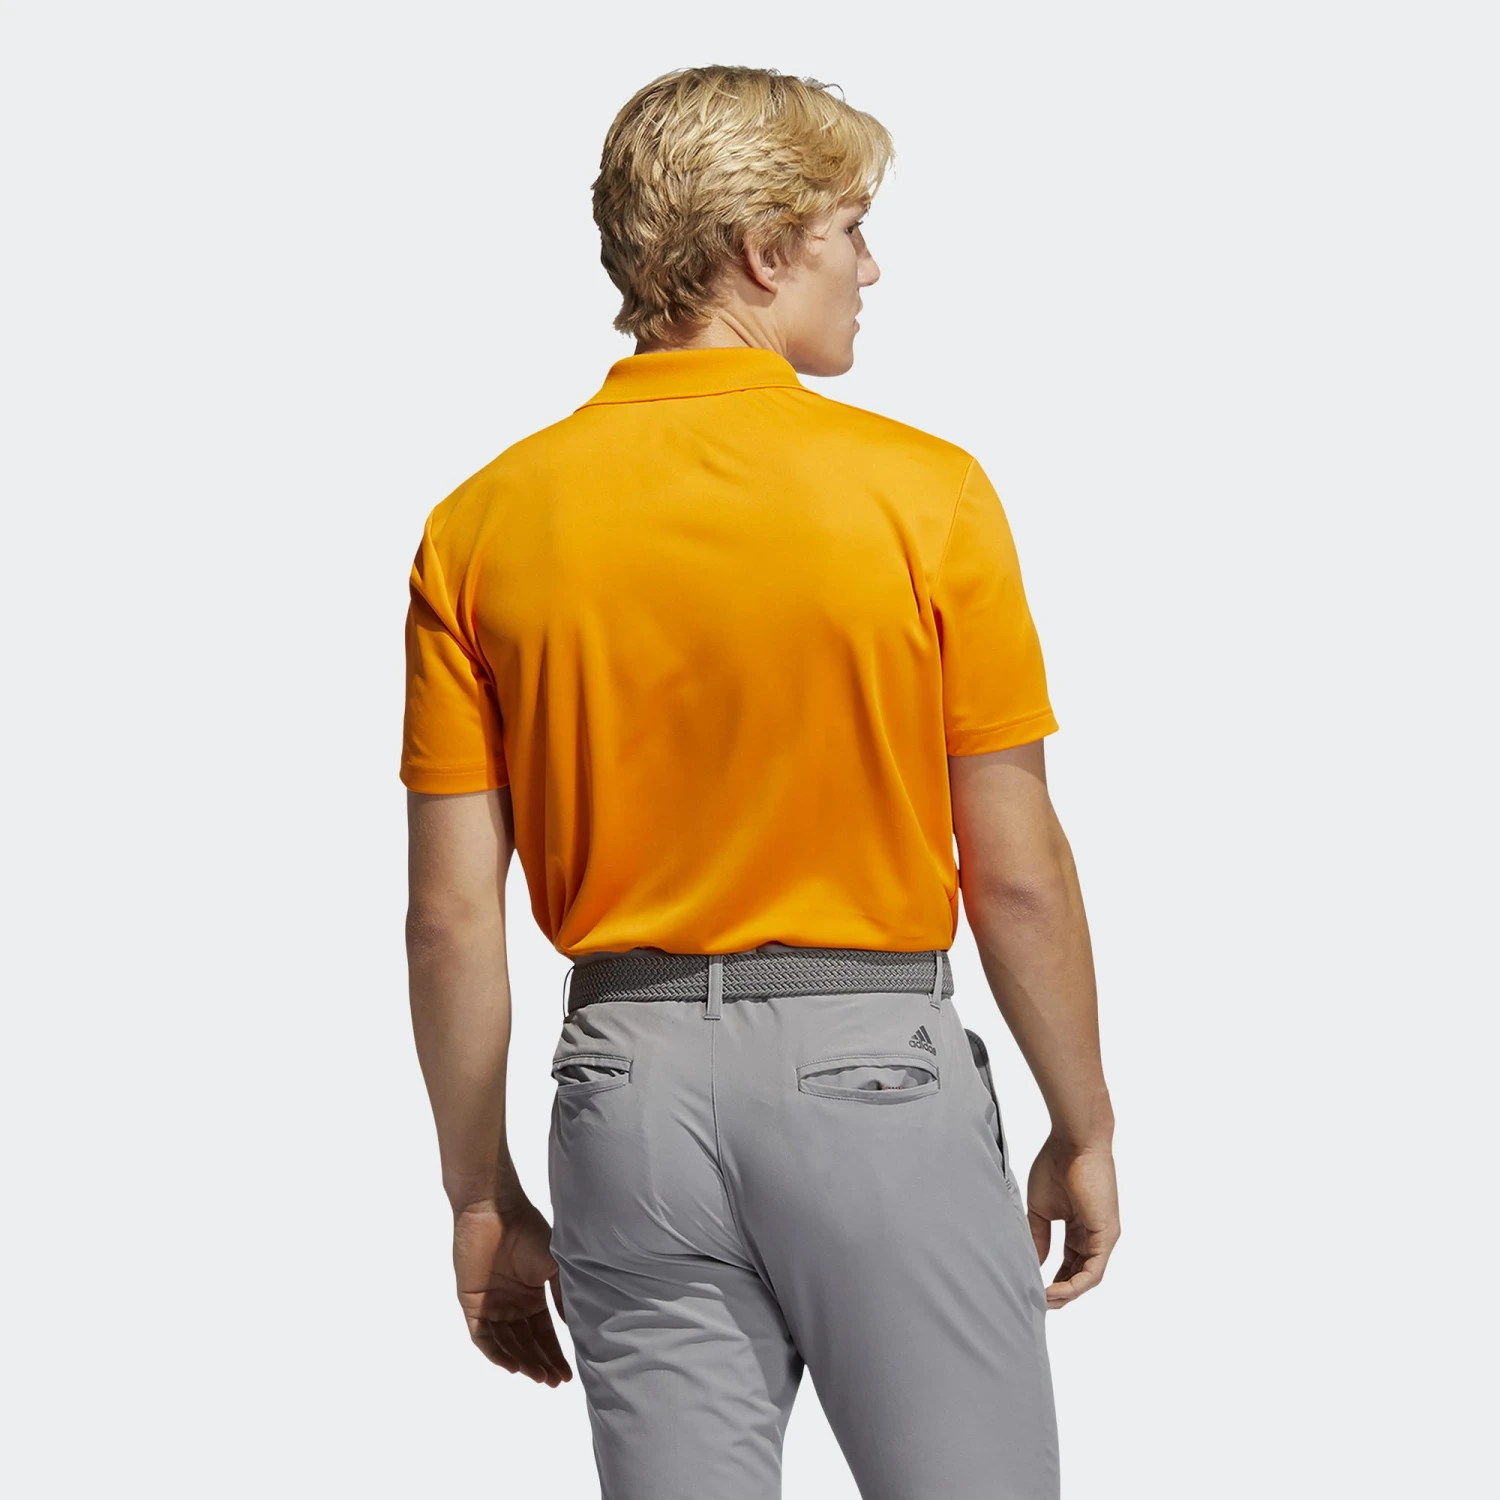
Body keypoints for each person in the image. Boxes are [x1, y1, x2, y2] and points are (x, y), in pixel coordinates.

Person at [401, 63, 1118, 1500]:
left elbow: (451, 919)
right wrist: (1083, 1122)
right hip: (873, 1074)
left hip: (626, 1091)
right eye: (851, 229)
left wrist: (480, 1193)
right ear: (763, 248)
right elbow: (1018, 871)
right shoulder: (924, 494)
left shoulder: (478, 525)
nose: (871, 267)